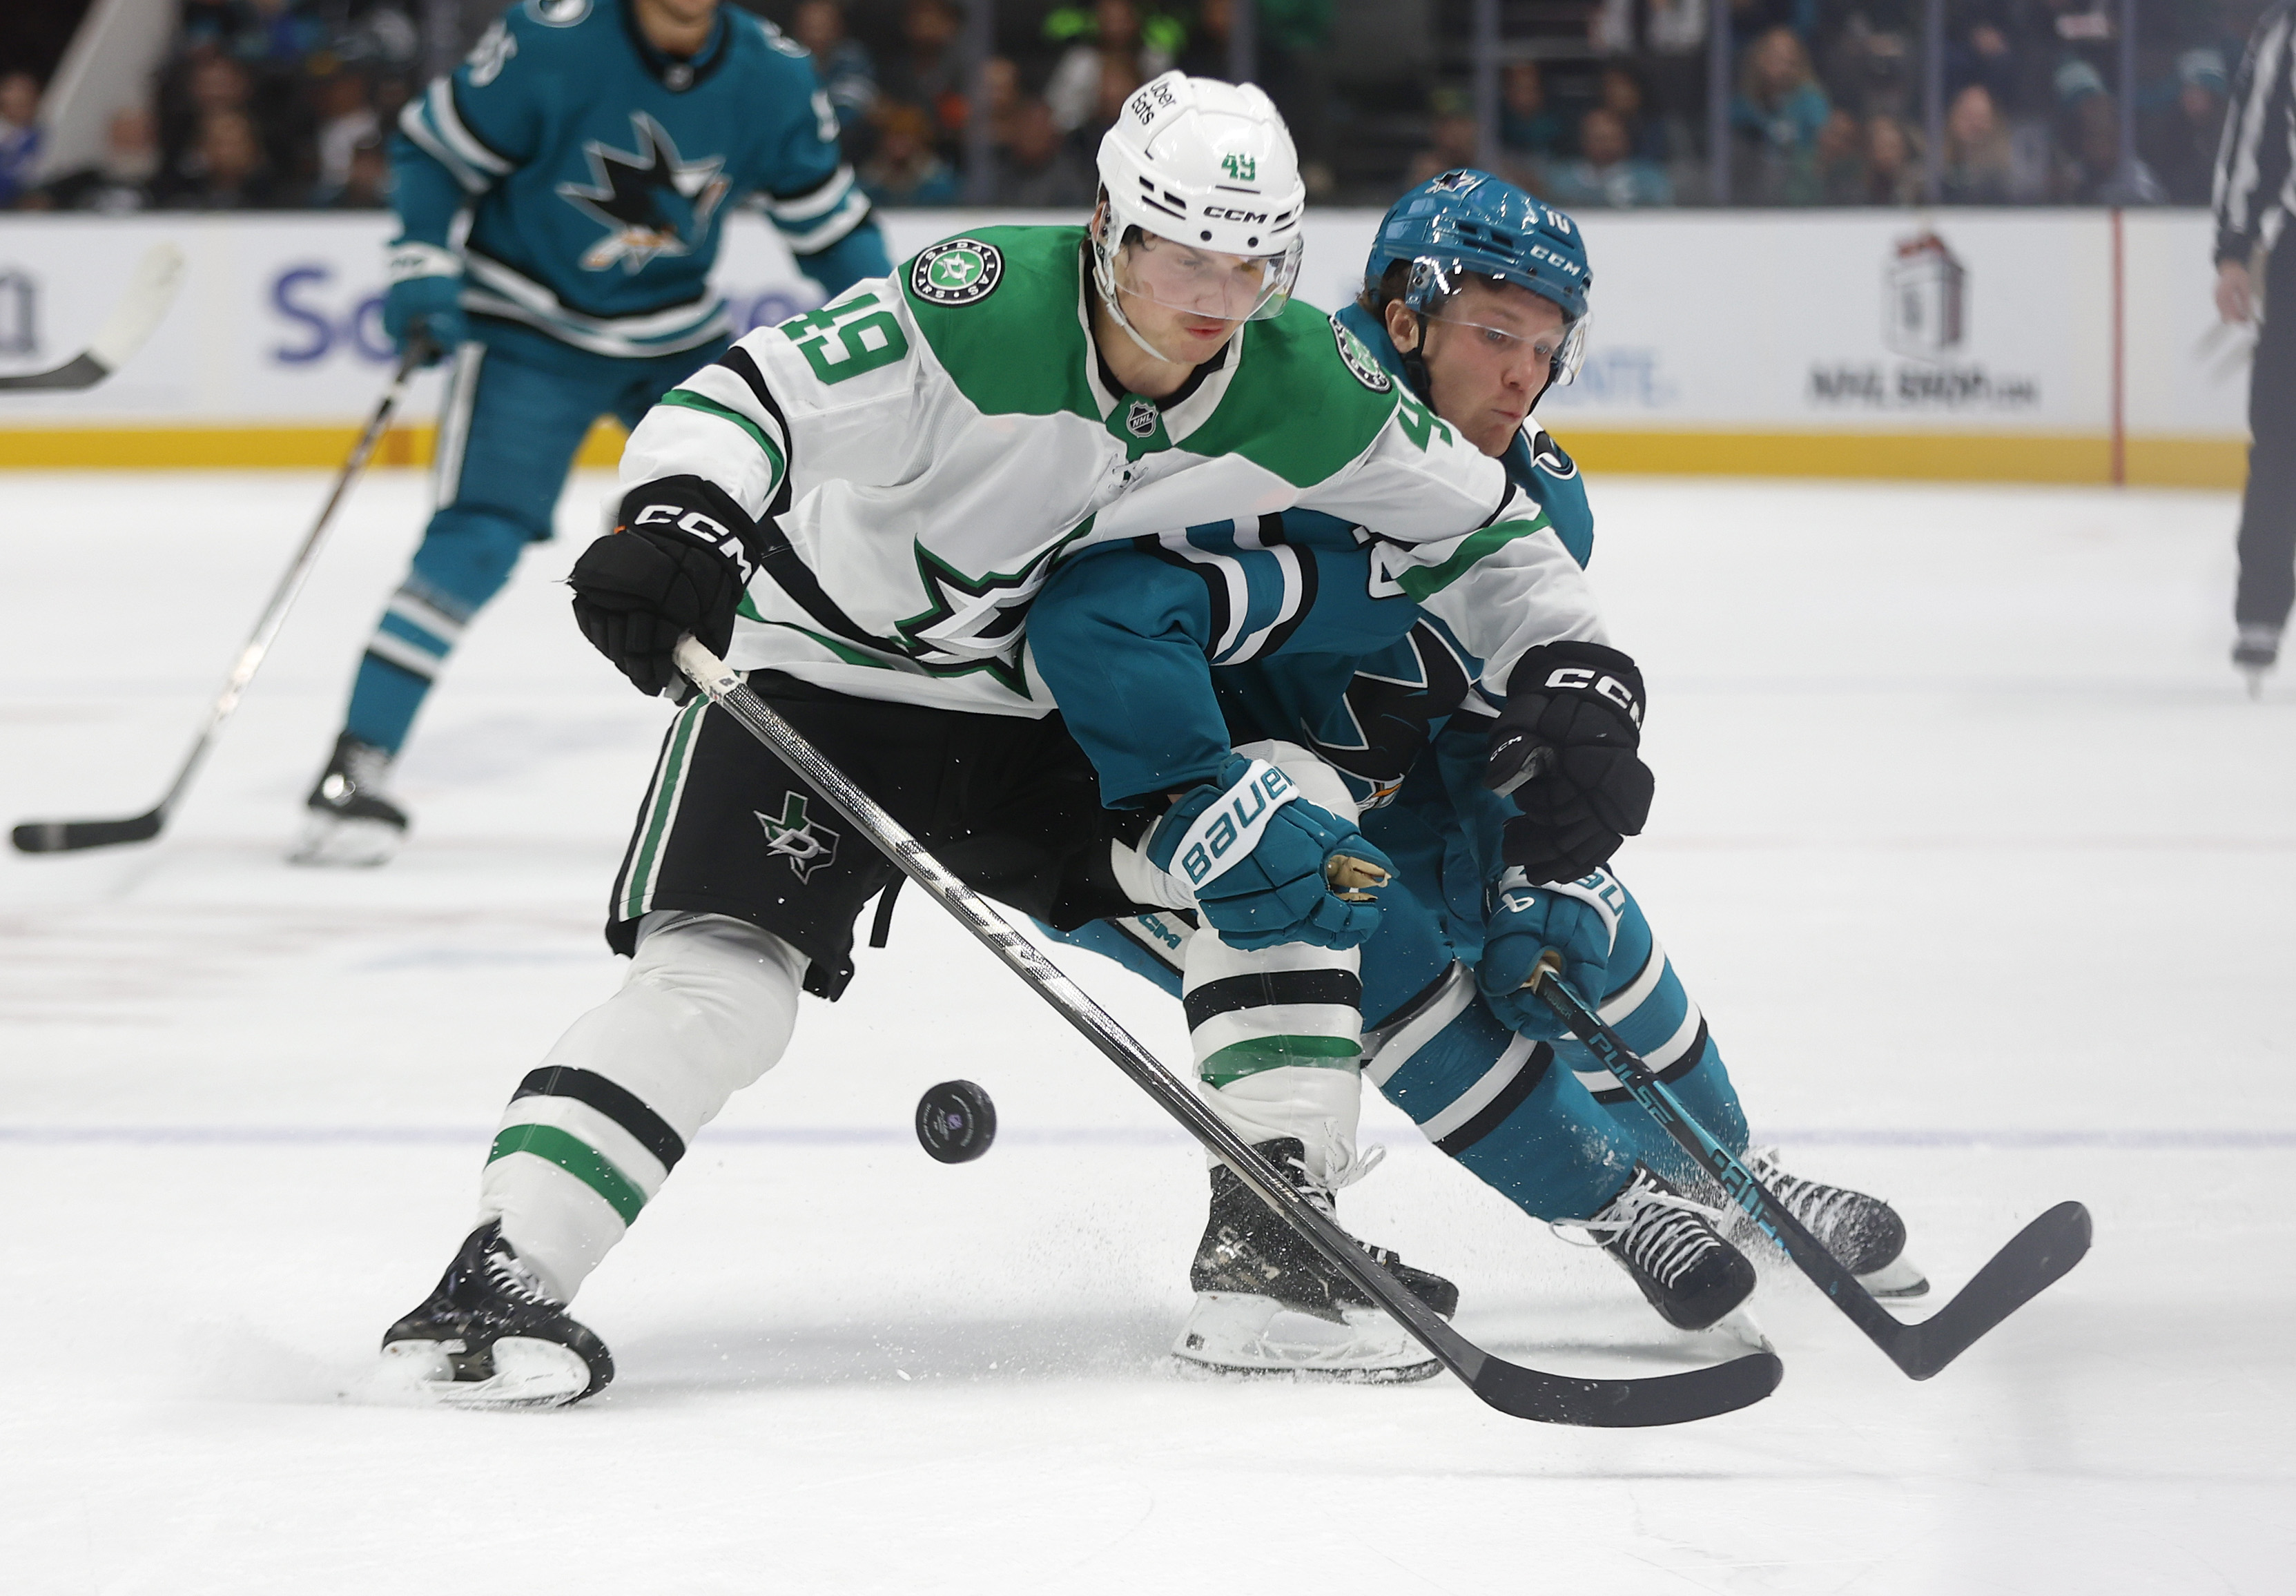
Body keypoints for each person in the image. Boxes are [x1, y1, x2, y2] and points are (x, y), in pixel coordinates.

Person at [377, 73, 1625, 1408]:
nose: (1214, 298)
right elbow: (749, 396)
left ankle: (1272, 1256)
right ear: (1109, 226)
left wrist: (1584, 676)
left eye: (1250, 264)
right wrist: (683, 517)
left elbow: (1486, 527)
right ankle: (496, 1282)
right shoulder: (974, 311)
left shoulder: (1299, 375)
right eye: (1183, 255)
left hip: (1045, 729)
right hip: (817, 689)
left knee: (1286, 826)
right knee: (718, 989)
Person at [1026, 171, 1917, 1374]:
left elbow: (1482, 745)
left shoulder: (1533, 501)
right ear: (1403, 319)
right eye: (1496, 335)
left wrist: (1513, 877)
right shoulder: (1269, 433)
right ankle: (1614, 1206)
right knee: (1375, 942)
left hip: (1371, 816)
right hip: (1168, 811)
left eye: (1546, 348)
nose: (1523, 377)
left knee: (1572, 908)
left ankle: (1728, 1180)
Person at [292, 0, 889, 866]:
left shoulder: (774, 75)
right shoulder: (553, 40)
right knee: (475, 542)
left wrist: (903, 328)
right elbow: (434, 148)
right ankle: (357, 760)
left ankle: (800, 768)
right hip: (525, 331)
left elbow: (828, 226)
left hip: (674, 338)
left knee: (764, 543)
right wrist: (420, 257)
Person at [2215, 1, 2295, 690]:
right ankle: (2261, 611)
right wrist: (2233, 250)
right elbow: (2252, 137)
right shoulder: (2286, 30)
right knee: (2278, 433)